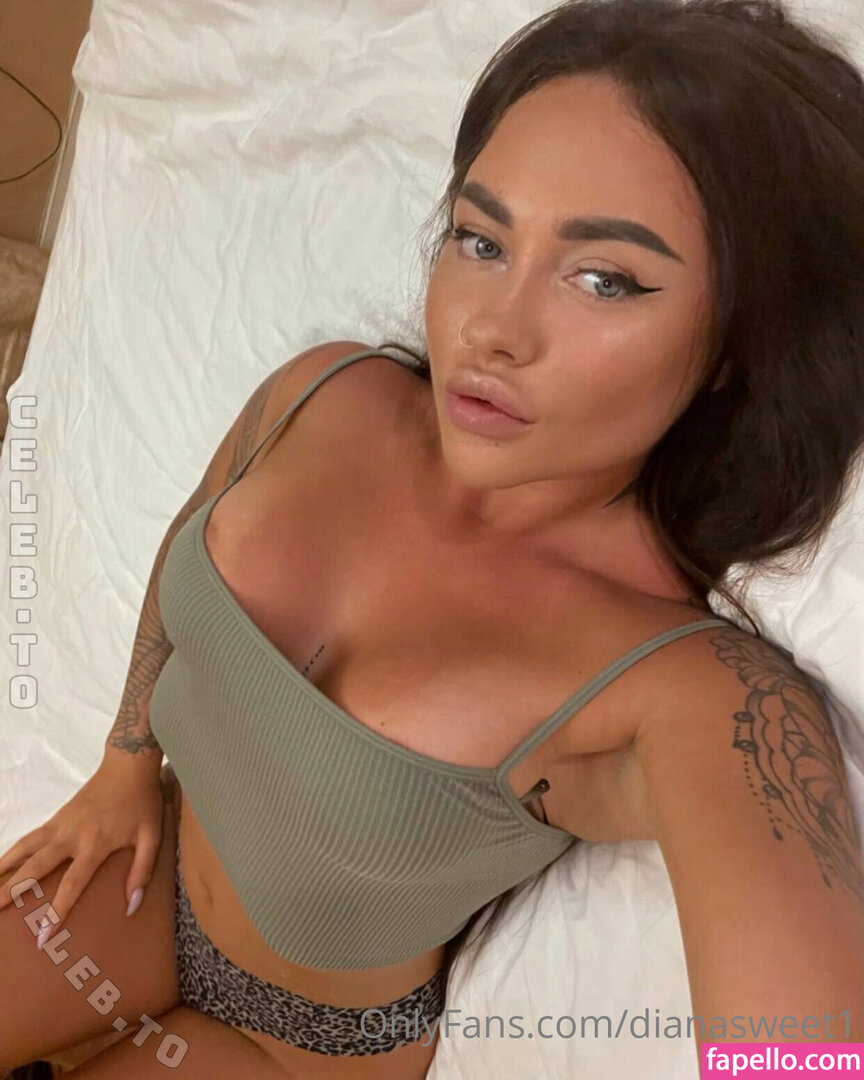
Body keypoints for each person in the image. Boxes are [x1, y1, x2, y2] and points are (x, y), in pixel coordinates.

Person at [3, 0, 864, 1076]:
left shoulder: (691, 691)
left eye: (604, 279)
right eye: (480, 239)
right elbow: (194, 529)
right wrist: (126, 759)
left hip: (299, 1045)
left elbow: (798, 1045)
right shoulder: (322, 391)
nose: (490, 328)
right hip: (145, 882)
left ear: (739, 339)